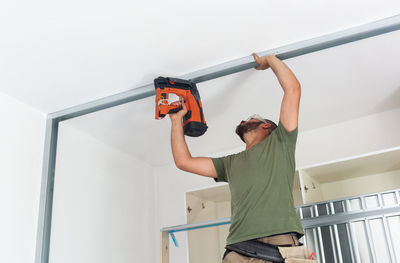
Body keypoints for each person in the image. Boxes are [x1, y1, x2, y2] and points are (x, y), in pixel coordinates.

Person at [169, 53, 307, 262]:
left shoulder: (281, 142)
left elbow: (293, 89)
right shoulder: (229, 163)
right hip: (238, 249)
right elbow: (184, 162)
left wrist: (269, 60)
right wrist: (176, 120)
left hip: (278, 244)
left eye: (251, 117)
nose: (244, 119)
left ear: (266, 125)